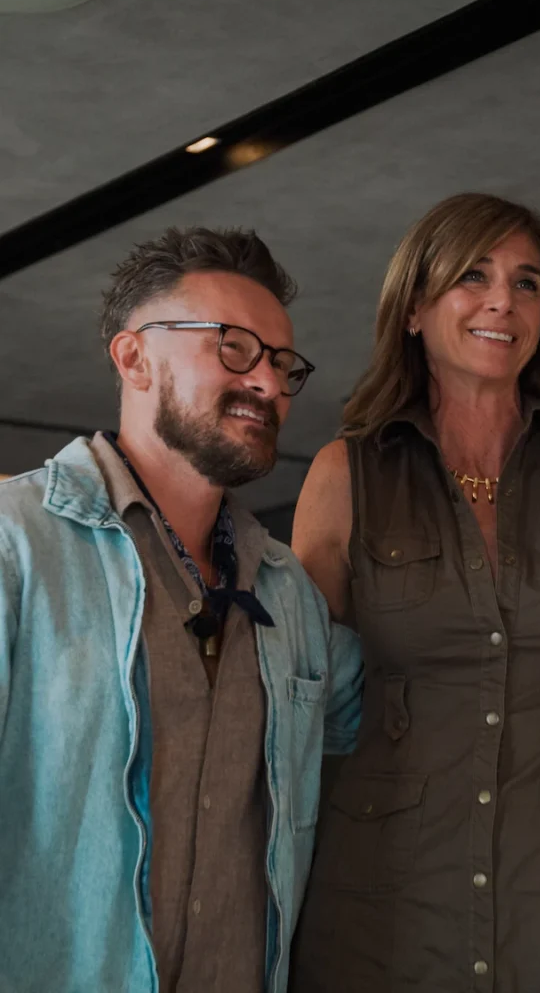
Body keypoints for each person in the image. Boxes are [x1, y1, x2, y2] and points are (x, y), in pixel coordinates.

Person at [290, 193, 540, 991]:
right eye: (474, 275)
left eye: (528, 284)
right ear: (416, 308)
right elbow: (292, 691)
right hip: (385, 904)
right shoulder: (345, 475)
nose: (504, 300)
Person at [0, 227, 363, 993]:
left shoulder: (285, 591)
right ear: (133, 358)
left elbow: (403, 714)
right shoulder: (17, 545)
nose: (268, 382)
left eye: (281, 362)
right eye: (234, 347)